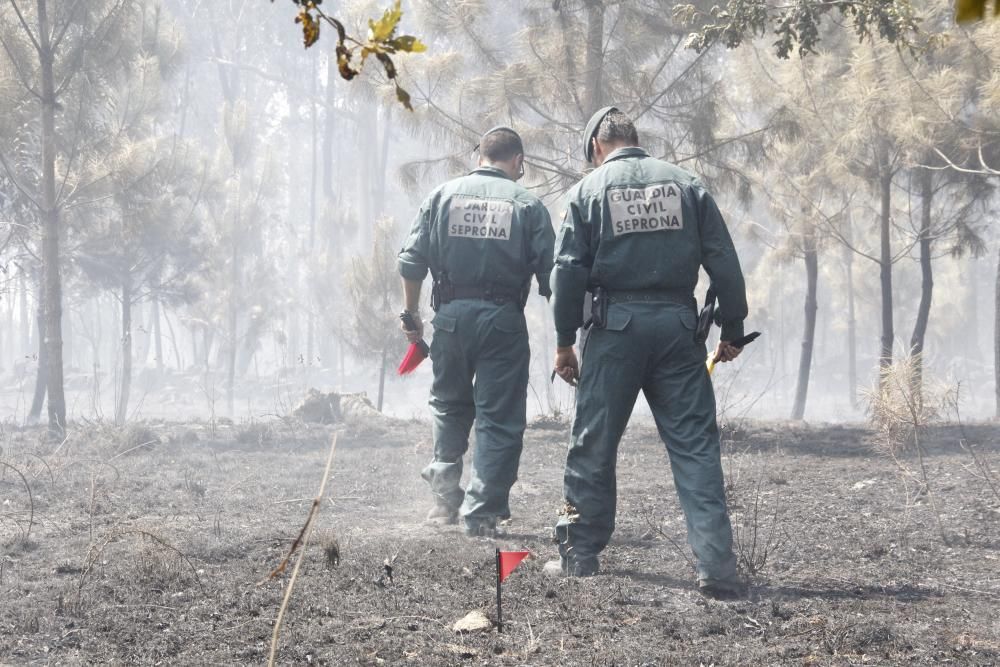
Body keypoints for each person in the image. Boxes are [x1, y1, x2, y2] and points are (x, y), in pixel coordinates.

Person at [545, 107, 748, 599]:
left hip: (614, 333)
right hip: (680, 331)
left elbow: (568, 271)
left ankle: (579, 556)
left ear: (597, 146)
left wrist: (564, 341)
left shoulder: (587, 193)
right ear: (634, 139)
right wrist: (734, 327)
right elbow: (723, 257)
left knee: (593, 443)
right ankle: (717, 569)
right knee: (695, 447)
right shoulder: (687, 185)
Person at [397, 127, 555, 538]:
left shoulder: (441, 196)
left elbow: (411, 262)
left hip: (449, 317)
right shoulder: (527, 204)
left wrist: (411, 315)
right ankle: (481, 513)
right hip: (503, 319)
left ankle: (444, 503)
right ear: (518, 160)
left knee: (449, 406)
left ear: (479, 156)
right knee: (498, 417)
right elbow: (553, 273)